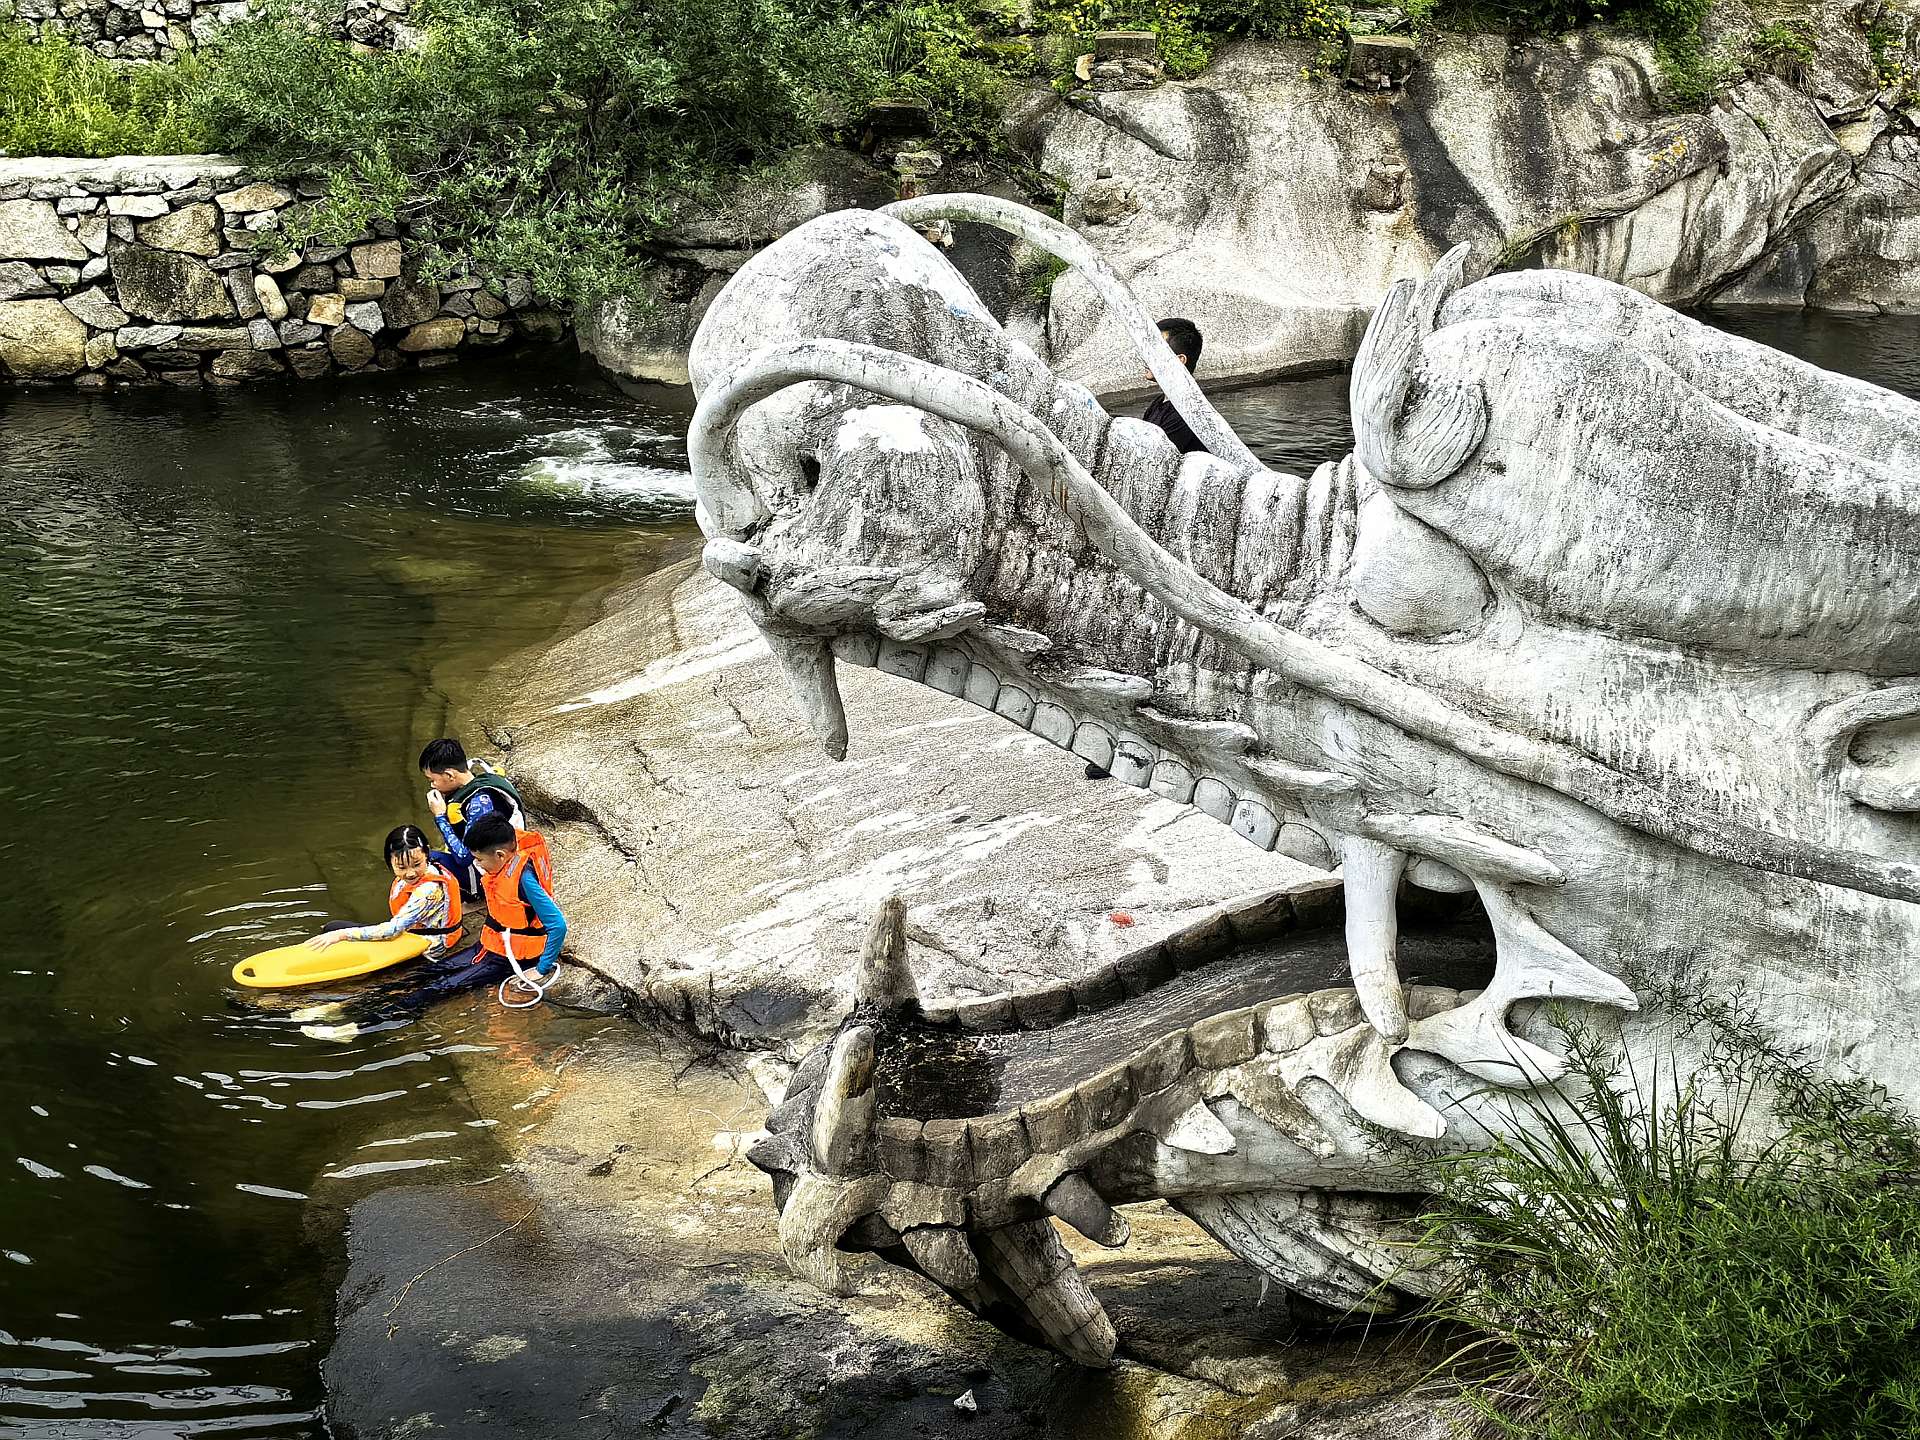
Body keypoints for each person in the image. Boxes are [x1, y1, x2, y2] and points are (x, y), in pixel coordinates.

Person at [304, 825, 468, 957]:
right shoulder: (416, 876)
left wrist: (341, 935)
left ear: (427, 853)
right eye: (401, 867)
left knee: (336, 931)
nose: (410, 873)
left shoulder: (429, 890)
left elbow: (392, 930)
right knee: (333, 927)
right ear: (390, 862)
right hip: (411, 933)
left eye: (417, 864)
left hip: (429, 945)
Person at [466, 812, 566, 989]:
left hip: (520, 953)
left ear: (500, 855)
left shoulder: (524, 880)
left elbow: (558, 925)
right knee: (436, 970)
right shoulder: (507, 858)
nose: (478, 865)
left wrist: (541, 969)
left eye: (480, 859)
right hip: (497, 942)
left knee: (442, 987)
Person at [419, 737, 526, 898]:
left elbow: (464, 857)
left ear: (449, 775)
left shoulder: (479, 803)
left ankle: (475, 897)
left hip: (495, 871)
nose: (432, 785)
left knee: (424, 859)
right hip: (503, 858)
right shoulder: (481, 780)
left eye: (432, 780)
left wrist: (440, 816)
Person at [1142, 317, 1209, 456]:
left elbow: (1151, 457)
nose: (1146, 355)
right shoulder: (1161, 402)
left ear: (1180, 360)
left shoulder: (1188, 411)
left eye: (1156, 349)